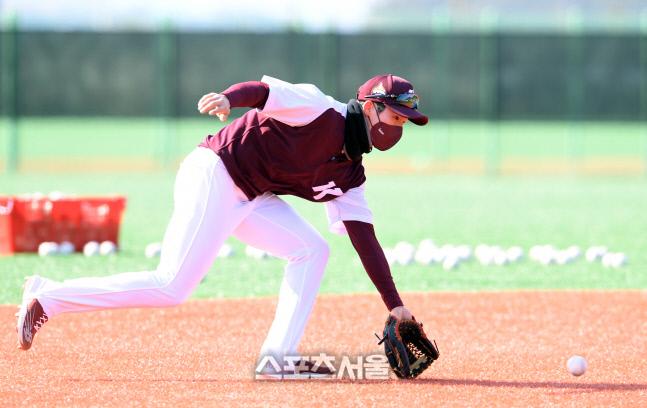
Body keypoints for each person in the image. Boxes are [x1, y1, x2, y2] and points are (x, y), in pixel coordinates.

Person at [16, 74, 428, 378]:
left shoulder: (350, 176)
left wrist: (394, 304)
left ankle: (279, 357)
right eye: (397, 115)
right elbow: (263, 93)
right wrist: (229, 99)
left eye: (406, 121)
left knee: (312, 249)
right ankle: (47, 297)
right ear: (371, 106)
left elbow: (365, 242)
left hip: (250, 196)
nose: (400, 126)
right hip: (214, 173)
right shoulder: (321, 109)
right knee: (171, 286)